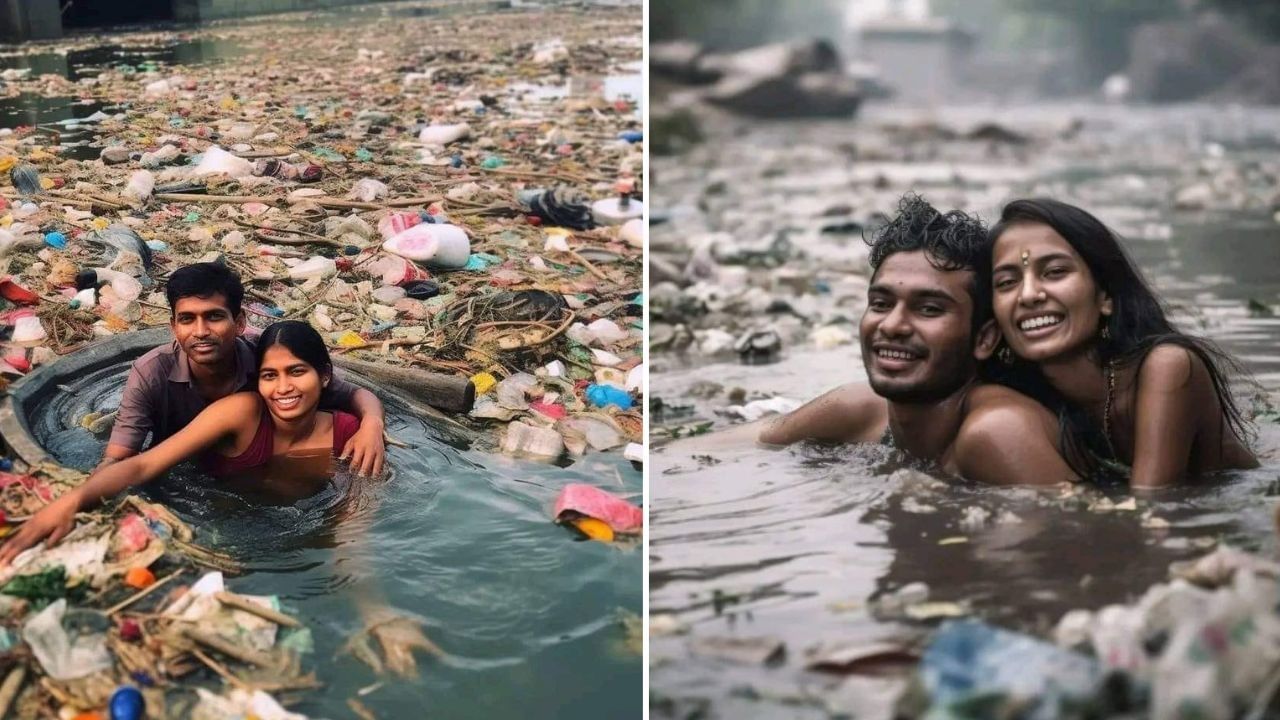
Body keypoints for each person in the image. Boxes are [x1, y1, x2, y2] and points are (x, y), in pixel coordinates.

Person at [0, 320, 439, 674]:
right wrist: (69, 502)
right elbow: (144, 465)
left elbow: (352, 530)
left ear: (324, 376)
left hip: (288, 538)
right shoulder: (241, 413)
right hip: (206, 512)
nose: (283, 387)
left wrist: (375, 611)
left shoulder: (349, 437)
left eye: (297, 372)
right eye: (270, 375)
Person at [758, 194, 1077, 486]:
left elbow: (1074, 540)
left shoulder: (997, 431)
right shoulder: (862, 411)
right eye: (881, 304)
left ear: (985, 338)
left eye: (928, 309)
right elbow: (735, 445)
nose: (893, 325)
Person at [984, 198, 1258, 488]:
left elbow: (1150, 510)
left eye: (1054, 272)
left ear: (1106, 296)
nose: (1028, 295)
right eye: (1006, 283)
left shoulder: (1167, 368)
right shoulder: (1024, 399)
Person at [101, 262, 387, 477]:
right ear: (173, 327)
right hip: (180, 470)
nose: (200, 332)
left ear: (239, 323)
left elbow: (355, 394)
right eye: (187, 319)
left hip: (246, 469)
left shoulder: (267, 361)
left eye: (214, 317)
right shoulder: (150, 373)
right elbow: (119, 459)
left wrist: (372, 425)